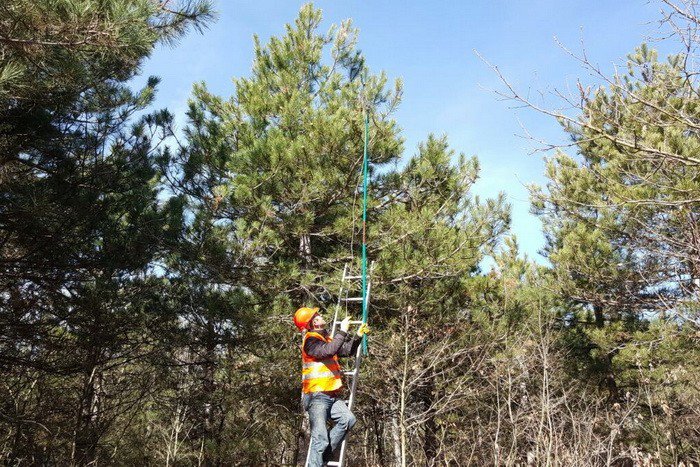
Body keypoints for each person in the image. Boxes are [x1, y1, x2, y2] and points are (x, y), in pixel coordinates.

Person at [293, 307, 369, 466]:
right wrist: (342, 331)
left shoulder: (326, 339)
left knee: (348, 420)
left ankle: (322, 459)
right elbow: (329, 350)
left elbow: (346, 350)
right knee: (320, 439)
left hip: (331, 396)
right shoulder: (310, 341)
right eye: (317, 315)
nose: (321, 316)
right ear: (313, 322)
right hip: (316, 396)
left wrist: (358, 336)